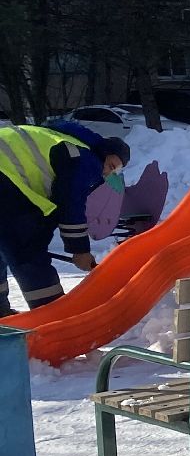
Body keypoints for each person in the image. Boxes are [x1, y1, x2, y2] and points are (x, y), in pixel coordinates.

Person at [0, 123, 129, 317]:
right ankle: (55, 319)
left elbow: (54, 206)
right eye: (111, 166)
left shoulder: (63, 140)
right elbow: (70, 203)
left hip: (6, 176)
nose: (107, 173)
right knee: (28, 252)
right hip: (5, 178)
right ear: (105, 153)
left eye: (115, 171)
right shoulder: (86, 158)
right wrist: (79, 250)